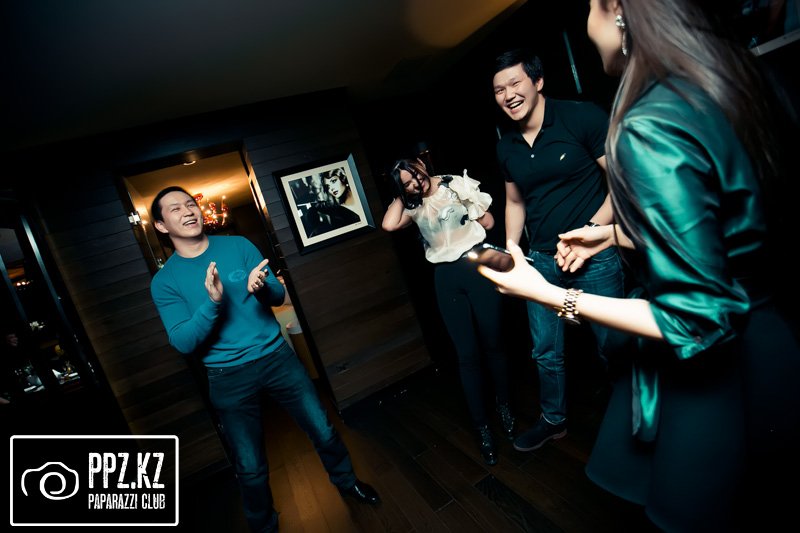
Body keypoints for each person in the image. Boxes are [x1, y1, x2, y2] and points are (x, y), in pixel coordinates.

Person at [479, 0, 800, 530]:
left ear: (619, 11)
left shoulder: (646, 123)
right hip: (769, 339)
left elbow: (697, 318)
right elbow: (720, 227)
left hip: (718, 367)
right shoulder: (729, 81)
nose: (587, 23)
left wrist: (545, 293)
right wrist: (609, 235)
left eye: (590, 5)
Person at [149, 186, 379, 533]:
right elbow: (183, 341)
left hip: (276, 357)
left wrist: (263, 288)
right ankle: (263, 526)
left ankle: (347, 482)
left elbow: (278, 294)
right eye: (175, 209)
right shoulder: (164, 281)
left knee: (323, 429)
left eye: (190, 204)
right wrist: (213, 303)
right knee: (250, 464)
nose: (187, 211)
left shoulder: (238, 246)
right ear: (161, 225)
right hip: (227, 376)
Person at [492, 48, 625, 452]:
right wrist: (513, 250)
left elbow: (621, 180)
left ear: (538, 81)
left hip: (595, 256)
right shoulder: (506, 145)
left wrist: (591, 233)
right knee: (545, 351)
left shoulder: (581, 117)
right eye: (499, 90)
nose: (508, 95)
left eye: (515, 83)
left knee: (613, 344)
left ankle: (631, 414)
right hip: (542, 262)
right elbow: (515, 201)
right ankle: (554, 420)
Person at [382, 158, 515, 465]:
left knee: (494, 344)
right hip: (446, 278)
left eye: (416, 175)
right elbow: (388, 224)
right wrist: (402, 193)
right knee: (467, 355)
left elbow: (489, 223)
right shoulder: (412, 205)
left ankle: (505, 406)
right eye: (407, 183)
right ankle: (482, 428)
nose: (416, 183)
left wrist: (466, 201)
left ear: (422, 165)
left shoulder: (455, 184)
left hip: (478, 266)